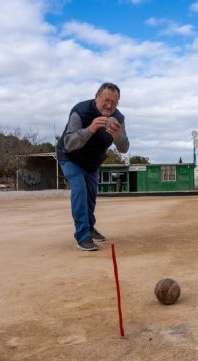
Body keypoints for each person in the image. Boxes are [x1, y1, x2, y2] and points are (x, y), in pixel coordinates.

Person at [57, 82, 129, 251]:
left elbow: (124, 148)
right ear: (96, 97)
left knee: (91, 196)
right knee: (80, 190)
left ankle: (90, 227)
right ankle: (82, 236)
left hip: (93, 162)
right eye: (106, 100)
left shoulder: (118, 118)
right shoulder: (80, 112)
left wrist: (118, 136)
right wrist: (89, 130)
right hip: (71, 158)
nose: (109, 105)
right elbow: (68, 143)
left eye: (114, 102)